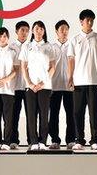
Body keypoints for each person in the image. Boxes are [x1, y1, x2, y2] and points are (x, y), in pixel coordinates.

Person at [68, 9, 97, 151]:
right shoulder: (74, 39)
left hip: (94, 82)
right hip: (78, 82)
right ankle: (79, 140)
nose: (89, 23)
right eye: (87, 20)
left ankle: (94, 140)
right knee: (78, 113)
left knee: (94, 112)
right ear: (81, 22)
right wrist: (70, 77)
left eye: (91, 20)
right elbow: (71, 60)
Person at [21, 21, 59, 151]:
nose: (39, 31)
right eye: (36, 28)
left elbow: (53, 67)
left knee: (44, 115)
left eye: (41, 29)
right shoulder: (27, 46)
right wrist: (30, 83)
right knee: (31, 115)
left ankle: (43, 141)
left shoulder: (49, 46)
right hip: (30, 87)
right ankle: (33, 141)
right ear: (32, 31)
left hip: (45, 86)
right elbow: (23, 67)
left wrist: (43, 82)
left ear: (44, 31)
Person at [48, 20, 74, 149]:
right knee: (53, 114)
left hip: (70, 86)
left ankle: (71, 139)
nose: (64, 32)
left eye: (66, 29)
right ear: (56, 31)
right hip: (54, 85)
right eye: (62, 29)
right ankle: (55, 139)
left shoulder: (72, 45)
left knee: (71, 113)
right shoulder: (51, 47)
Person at [9, 20, 31, 146]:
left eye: (27, 31)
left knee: (31, 116)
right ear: (16, 31)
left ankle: (31, 141)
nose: (25, 33)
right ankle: (13, 140)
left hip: (28, 86)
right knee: (14, 115)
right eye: (22, 30)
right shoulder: (11, 47)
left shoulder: (31, 46)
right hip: (14, 86)